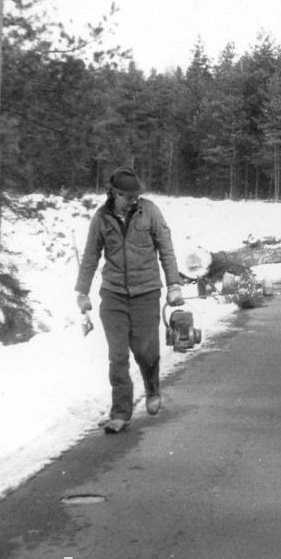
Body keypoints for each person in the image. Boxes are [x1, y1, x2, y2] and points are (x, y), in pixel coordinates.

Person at [75, 168, 184, 434]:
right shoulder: (101, 218)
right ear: (114, 193)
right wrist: (82, 292)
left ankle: (152, 388)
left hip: (146, 292)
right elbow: (90, 255)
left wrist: (174, 285)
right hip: (113, 295)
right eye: (128, 196)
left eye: (137, 196)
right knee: (118, 356)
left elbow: (166, 249)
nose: (134, 200)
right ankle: (121, 413)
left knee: (146, 351)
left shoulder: (150, 212)